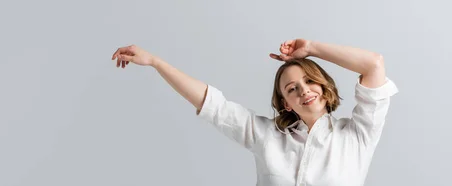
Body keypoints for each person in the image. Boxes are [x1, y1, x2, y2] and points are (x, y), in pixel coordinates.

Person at [111, 38, 398, 186]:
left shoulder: (357, 135)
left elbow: (374, 64)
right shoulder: (267, 136)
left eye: (309, 81)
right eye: (292, 89)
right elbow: (212, 104)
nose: (304, 91)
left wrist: (310, 48)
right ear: (286, 103)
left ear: (323, 85)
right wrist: (155, 62)